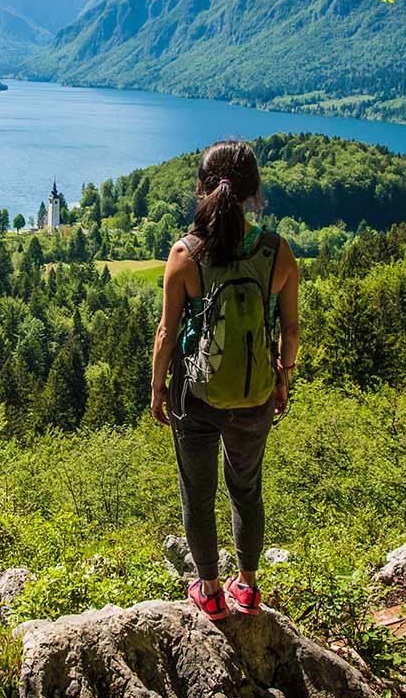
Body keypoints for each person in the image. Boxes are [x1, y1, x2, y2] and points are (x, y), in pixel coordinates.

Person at [150, 139, 300, 620]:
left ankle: (210, 591)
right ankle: (249, 589)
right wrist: (282, 378)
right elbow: (291, 330)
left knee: (198, 491)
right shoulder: (277, 251)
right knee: (247, 488)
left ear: (201, 188)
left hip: (195, 396)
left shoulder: (185, 254)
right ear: (254, 191)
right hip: (254, 395)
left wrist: (157, 390)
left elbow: (167, 333)